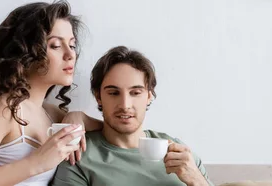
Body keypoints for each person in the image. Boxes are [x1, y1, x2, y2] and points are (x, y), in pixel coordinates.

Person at [0, 1, 103, 186]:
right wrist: (36, 163)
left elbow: (108, 129)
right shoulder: (4, 109)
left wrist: (77, 116)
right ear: (26, 52)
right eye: (55, 45)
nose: (70, 54)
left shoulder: (50, 114)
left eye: (72, 45)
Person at [50, 46, 214, 186]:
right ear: (98, 96)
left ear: (149, 96)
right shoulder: (79, 157)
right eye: (114, 93)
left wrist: (198, 181)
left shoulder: (180, 154)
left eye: (135, 93)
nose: (125, 105)